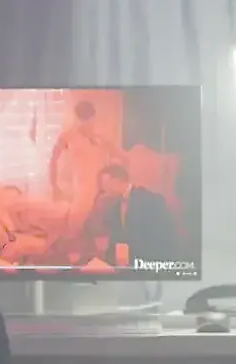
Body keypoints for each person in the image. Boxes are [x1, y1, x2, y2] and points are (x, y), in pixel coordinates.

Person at [50, 100, 124, 234]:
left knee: (101, 224)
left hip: (101, 186)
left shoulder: (100, 137)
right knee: (76, 224)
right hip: (82, 185)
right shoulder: (68, 136)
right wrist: (54, 185)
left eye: (90, 119)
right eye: (83, 119)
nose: (88, 123)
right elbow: (53, 159)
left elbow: (120, 156)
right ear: (77, 118)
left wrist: (118, 180)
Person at [91, 164, 181, 269]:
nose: (103, 188)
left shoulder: (149, 199)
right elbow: (114, 236)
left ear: (116, 181)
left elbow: (165, 234)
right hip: (131, 263)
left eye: (104, 183)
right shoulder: (115, 206)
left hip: (154, 263)